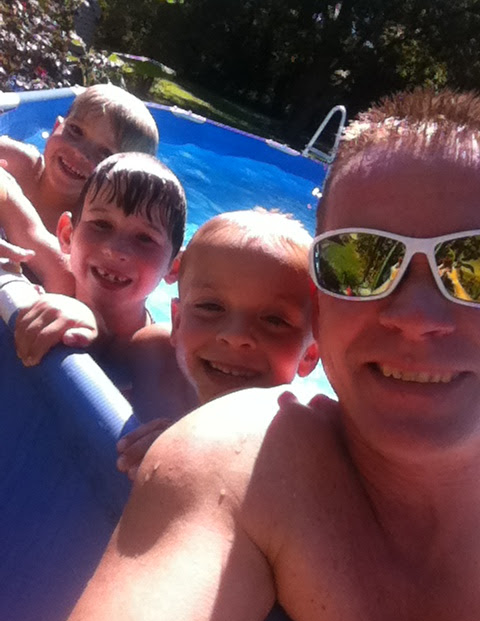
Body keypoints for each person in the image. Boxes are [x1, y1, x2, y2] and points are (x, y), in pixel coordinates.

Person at [60, 86, 480, 621]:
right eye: (359, 262)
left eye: (472, 265)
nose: (417, 316)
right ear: (321, 310)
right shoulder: (244, 460)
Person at [116, 209, 320, 478]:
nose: (236, 336)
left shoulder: (295, 441)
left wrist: (198, 454)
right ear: (177, 321)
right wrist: (80, 320)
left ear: (309, 355)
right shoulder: (150, 356)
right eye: (211, 307)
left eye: (275, 321)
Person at [14, 152, 186, 399]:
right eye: (102, 224)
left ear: (174, 267)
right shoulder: (54, 281)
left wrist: (92, 326)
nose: (116, 250)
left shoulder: (163, 356)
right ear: (67, 235)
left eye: (145, 238)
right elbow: (20, 217)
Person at [0, 83, 159, 288]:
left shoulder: (94, 229)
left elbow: (70, 283)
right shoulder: (17, 162)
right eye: (75, 130)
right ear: (57, 127)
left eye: (105, 153)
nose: (80, 152)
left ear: (123, 184)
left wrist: (9, 199)